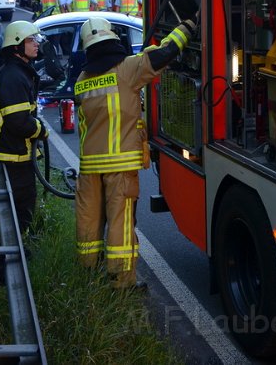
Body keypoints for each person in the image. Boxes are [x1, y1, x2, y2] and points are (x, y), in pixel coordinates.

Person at [75, 14, 197, 289]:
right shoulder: (126, 69)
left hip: (89, 167)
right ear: (112, 40)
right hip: (119, 165)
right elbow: (166, 52)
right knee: (119, 221)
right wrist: (189, 25)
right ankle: (121, 281)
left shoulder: (82, 79)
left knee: (89, 220)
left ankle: (87, 273)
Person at [0, 20, 49, 235]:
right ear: (17, 46)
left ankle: (23, 239)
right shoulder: (14, 76)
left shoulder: (17, 71)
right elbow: (19, 122)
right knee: (22, 203)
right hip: (13, 151)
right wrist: (42, 130)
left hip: (16, 150)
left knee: (24, 201)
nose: (36, 44)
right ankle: (21, 244)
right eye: (31, 40)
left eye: (36, 39)